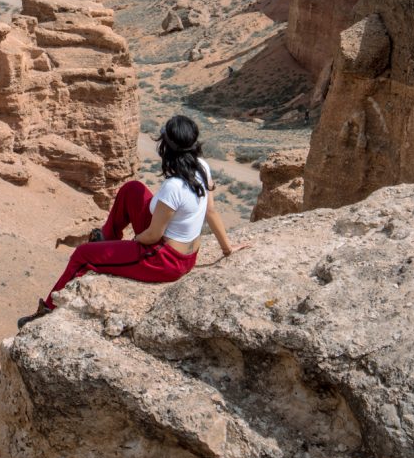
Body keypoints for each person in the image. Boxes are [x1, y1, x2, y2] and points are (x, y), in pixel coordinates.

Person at [17, 114, 246, 328]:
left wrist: (134, 242)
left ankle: (47, 310)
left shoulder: (173, 187)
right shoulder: (202, 167)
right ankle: (107, 237)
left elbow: (153, 236)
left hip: (165, 260)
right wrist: (227, 248)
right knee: (132, 189)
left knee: (82, 255)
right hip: (188, 255)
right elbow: (212, 211)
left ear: (166, 147)